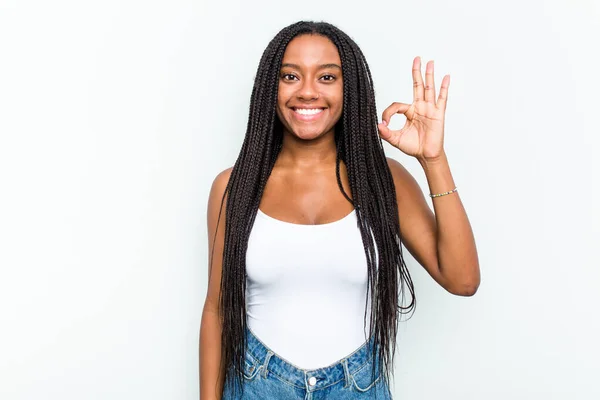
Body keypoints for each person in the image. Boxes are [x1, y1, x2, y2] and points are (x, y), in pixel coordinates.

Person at [199, 21, 480, 400]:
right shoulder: (234, 187)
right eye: (290, 76)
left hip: (357, 387)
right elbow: (217, 311)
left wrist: (434, 159)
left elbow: (462, 280)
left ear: (350, 89)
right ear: (271, 87)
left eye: (327, 76)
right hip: (256, 387)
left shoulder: (383, 181)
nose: (308, 91)